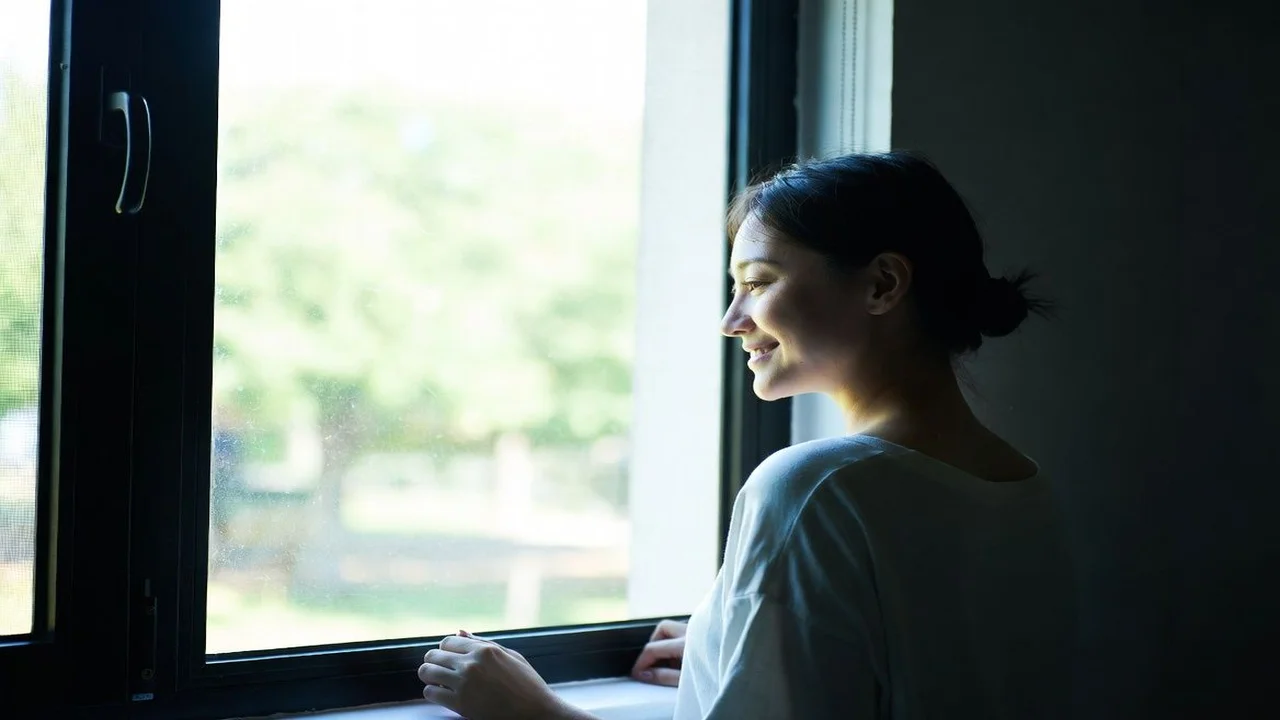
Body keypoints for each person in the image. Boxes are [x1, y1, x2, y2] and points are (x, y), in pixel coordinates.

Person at [416, 151, 1075, 719]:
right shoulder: (1021, 484)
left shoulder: (815, 490)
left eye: (757, 283)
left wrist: (532, 710)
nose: (733, 320)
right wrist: (721, 647)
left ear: (882, 284)